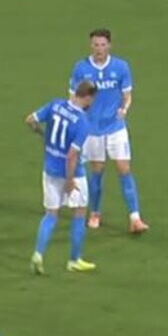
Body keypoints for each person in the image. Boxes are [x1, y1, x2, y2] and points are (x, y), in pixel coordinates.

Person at [69, 28, 145, 233]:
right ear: (90, 45)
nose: (99, 49)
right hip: (92, 130)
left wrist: (124, 109)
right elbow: (73, 98)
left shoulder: (121, 67)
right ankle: (95, 213)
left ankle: (135, 218)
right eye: (96, 45)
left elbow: (127, 95)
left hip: (115, 127)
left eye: (103, 45)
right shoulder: (81, 68)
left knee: (124, 169)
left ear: (109, 45)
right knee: (97, 170)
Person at [26, 81, 99, 273]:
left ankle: (38, 253)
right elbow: (72, 155)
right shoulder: (82, 122)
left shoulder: (55, 105)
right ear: (88, 97)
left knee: (51, 214)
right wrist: (70, 179)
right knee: (79, 212)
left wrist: (43, 136)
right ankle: (74, 260)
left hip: (50, 169)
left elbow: (30, 120)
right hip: (72, 173)